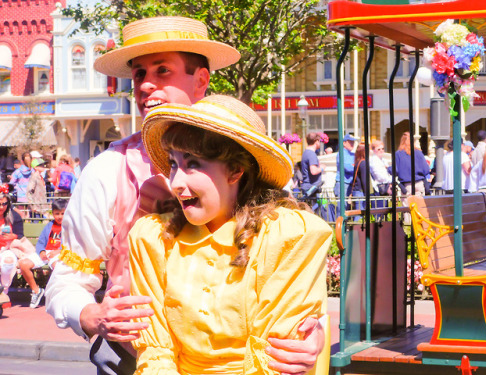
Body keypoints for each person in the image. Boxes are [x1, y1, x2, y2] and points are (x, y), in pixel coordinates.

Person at [45, 16, 324, 375]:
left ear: (202, 80)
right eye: (139, 75)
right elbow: (67, 279)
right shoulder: (106, 172)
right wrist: (90, 314)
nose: (146, 85)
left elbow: (284, 277)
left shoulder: (259, 186)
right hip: (135, 359)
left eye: (162, 71)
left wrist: (308, 332)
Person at [129, 95, 332, 374]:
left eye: (193, 164)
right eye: (173, 163)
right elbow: (156, 350)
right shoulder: (152, 237)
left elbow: (275, 357)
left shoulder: (287, 237)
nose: (176, 182)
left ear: (235, 170)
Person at [18, 199, 68, 309]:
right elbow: (41, 242)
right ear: (53, 213)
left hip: (60, 253)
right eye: (57, 214)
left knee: (58, 266)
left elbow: (72, 243)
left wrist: (60, 250)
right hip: (45, 253)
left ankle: (58, 296)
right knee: (23, 264)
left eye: (63, 213)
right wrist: (41, 251)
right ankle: (36, 290)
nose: (60, 216)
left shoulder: (69, 227)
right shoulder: (49, 226)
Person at [0, 186, 25, 296]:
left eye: (4, 204)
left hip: (8, 248)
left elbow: (20, 235)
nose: (1, 207)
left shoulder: (14, 216)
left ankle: (4, 292)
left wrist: (13, 236)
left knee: (8, 261)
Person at [395, 131, 430, 197]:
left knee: (408, 206)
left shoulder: (398, 154)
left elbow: (396, 170)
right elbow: (426, 169)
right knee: (420, 206)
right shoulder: (418, 152)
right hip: (419, 183)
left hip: (407, 185)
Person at [301, 132, 325, 198]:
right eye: (319, 141)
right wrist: (322, 168)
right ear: (316, 141)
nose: (320, 143)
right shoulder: (311, 154)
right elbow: (313, 171)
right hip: (312, 189)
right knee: (314, 208)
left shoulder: (306, 153)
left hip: (308, 187)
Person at [334, 133, 356, 198]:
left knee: (350, 207)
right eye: (350, 142)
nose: (352, 144)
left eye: (353, 142)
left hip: (351, 183)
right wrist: (354, 166)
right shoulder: (341, 153)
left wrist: (354, 166)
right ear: (344, 143)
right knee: (342, 206)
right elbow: (347, 168)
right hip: (343, 183)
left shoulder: (353, 154)